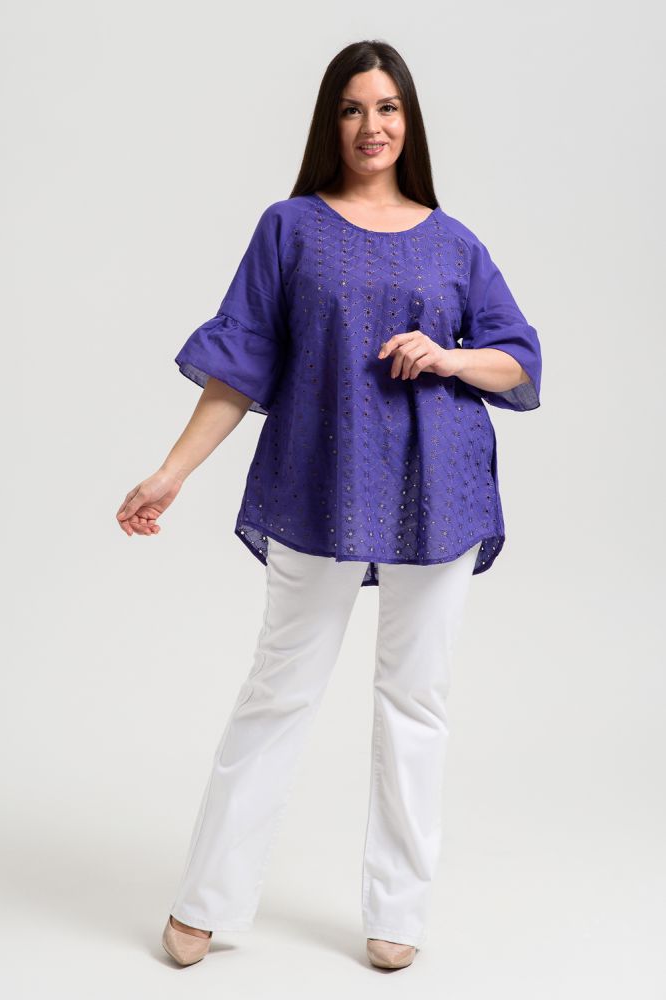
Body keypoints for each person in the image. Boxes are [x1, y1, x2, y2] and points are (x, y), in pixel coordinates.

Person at [116, 39, 542, 972]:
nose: (370, 126)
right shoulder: (290, 227)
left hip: (437, 486)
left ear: (408, 122)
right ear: (329, 122)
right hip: (320, 479)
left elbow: (517, 359)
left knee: (415, 700)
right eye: (352, 109)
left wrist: (446, 355)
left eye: (386, 108)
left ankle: (398, 911)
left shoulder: (453, 240)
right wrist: (172, 472)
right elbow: (239, 363)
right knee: (279, 690)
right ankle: (207, 899)